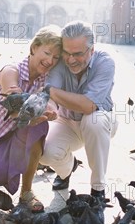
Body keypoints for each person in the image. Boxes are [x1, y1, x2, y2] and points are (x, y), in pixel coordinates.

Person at [0, 25, 62, 212]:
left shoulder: (46, 80)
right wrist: (26, 111)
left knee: (39, 126)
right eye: (47, 53)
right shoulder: (11, 71)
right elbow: (12, 95)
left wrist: (51, 110)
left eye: (56, 57)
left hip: (13, 137)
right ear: (34, 47)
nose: (51, 60)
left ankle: (26, 192)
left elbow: (51, 101)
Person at [40, 20, 118, 199]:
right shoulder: (60, 62)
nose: (71, 59)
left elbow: (88, 105)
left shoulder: (105, 62)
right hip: (66, 122)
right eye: (66, 52)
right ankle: (67, 170)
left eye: (77, 54)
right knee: (44, 152)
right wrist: (50, 101)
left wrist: (51, 91)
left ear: (91, 50)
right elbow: (50, 97)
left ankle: (98, 190)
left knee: (93, 121)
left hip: (101, 120)